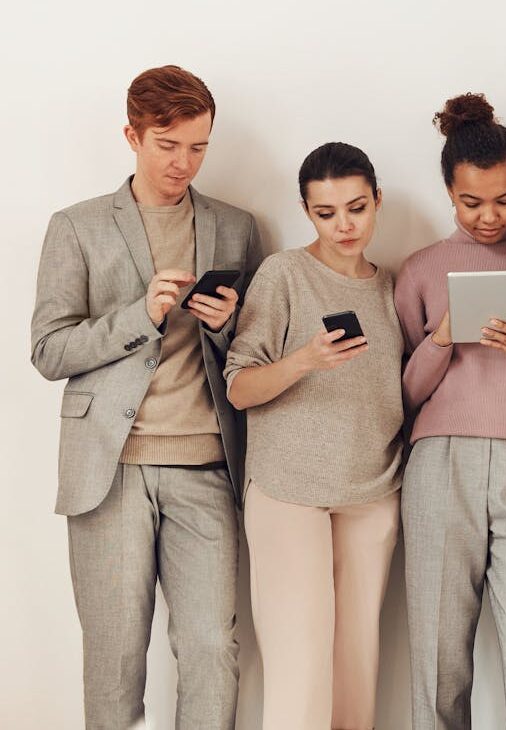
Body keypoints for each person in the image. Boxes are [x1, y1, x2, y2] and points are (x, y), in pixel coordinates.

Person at [30, 64, 259, 729]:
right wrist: (141, 315)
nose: (184, 162)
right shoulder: (75, 227)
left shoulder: (236, 228)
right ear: (131, 135)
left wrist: (225, 327)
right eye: (168, 144)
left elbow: (254, 349)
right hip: (110, 470)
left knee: (213, 647)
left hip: (206, 468)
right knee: (115, 659)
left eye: (198, 146)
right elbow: (48, 351)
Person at [395, 93, 506, 730]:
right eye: (472, 202)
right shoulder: (420, 270)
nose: (489, 216)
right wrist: (442, 339)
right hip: (441, 466)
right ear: (448, 191)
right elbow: (406, 395)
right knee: (439, 657)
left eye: (503, 199)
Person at [224, 142, 403, 730]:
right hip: (288, 492)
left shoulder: (392, 288)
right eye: (326, 213)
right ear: (306, 211)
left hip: (371, 491)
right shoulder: (284, 274)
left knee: (357, 667)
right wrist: (304, 360)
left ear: (378, 200)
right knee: (300, 668)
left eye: (356, 207)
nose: (344, 225)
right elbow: (239, 387)